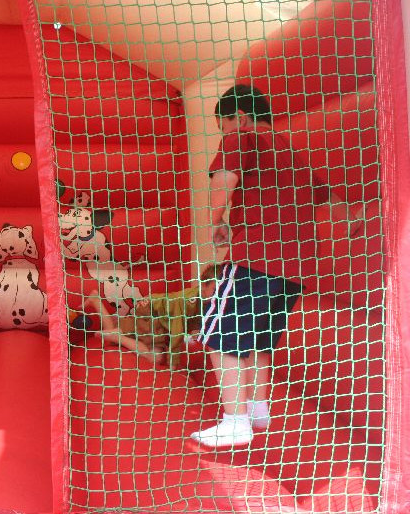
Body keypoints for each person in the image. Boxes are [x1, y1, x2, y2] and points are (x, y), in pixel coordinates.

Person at [190, 84, 324, 448]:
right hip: (296, 267)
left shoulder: (243, 137)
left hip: (256, 257)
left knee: (218, 335)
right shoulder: (293, 151)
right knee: (261, 339)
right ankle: (257, 409)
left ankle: (235, 422)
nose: (225, 134)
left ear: (242, 117)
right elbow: (327, 196)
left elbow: (224, 181)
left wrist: (215, 221)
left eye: (224, 126)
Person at [83, 264, 221, 366]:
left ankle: (100, 307)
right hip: (151, 312)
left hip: (161, 324)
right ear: (203, 286)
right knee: (116, 340)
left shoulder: (209, 301)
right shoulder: (188, 301)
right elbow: (177, 332)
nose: (219, 295)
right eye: (215, 290)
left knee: (156, 357)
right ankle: (116, 333)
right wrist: (174, 366)